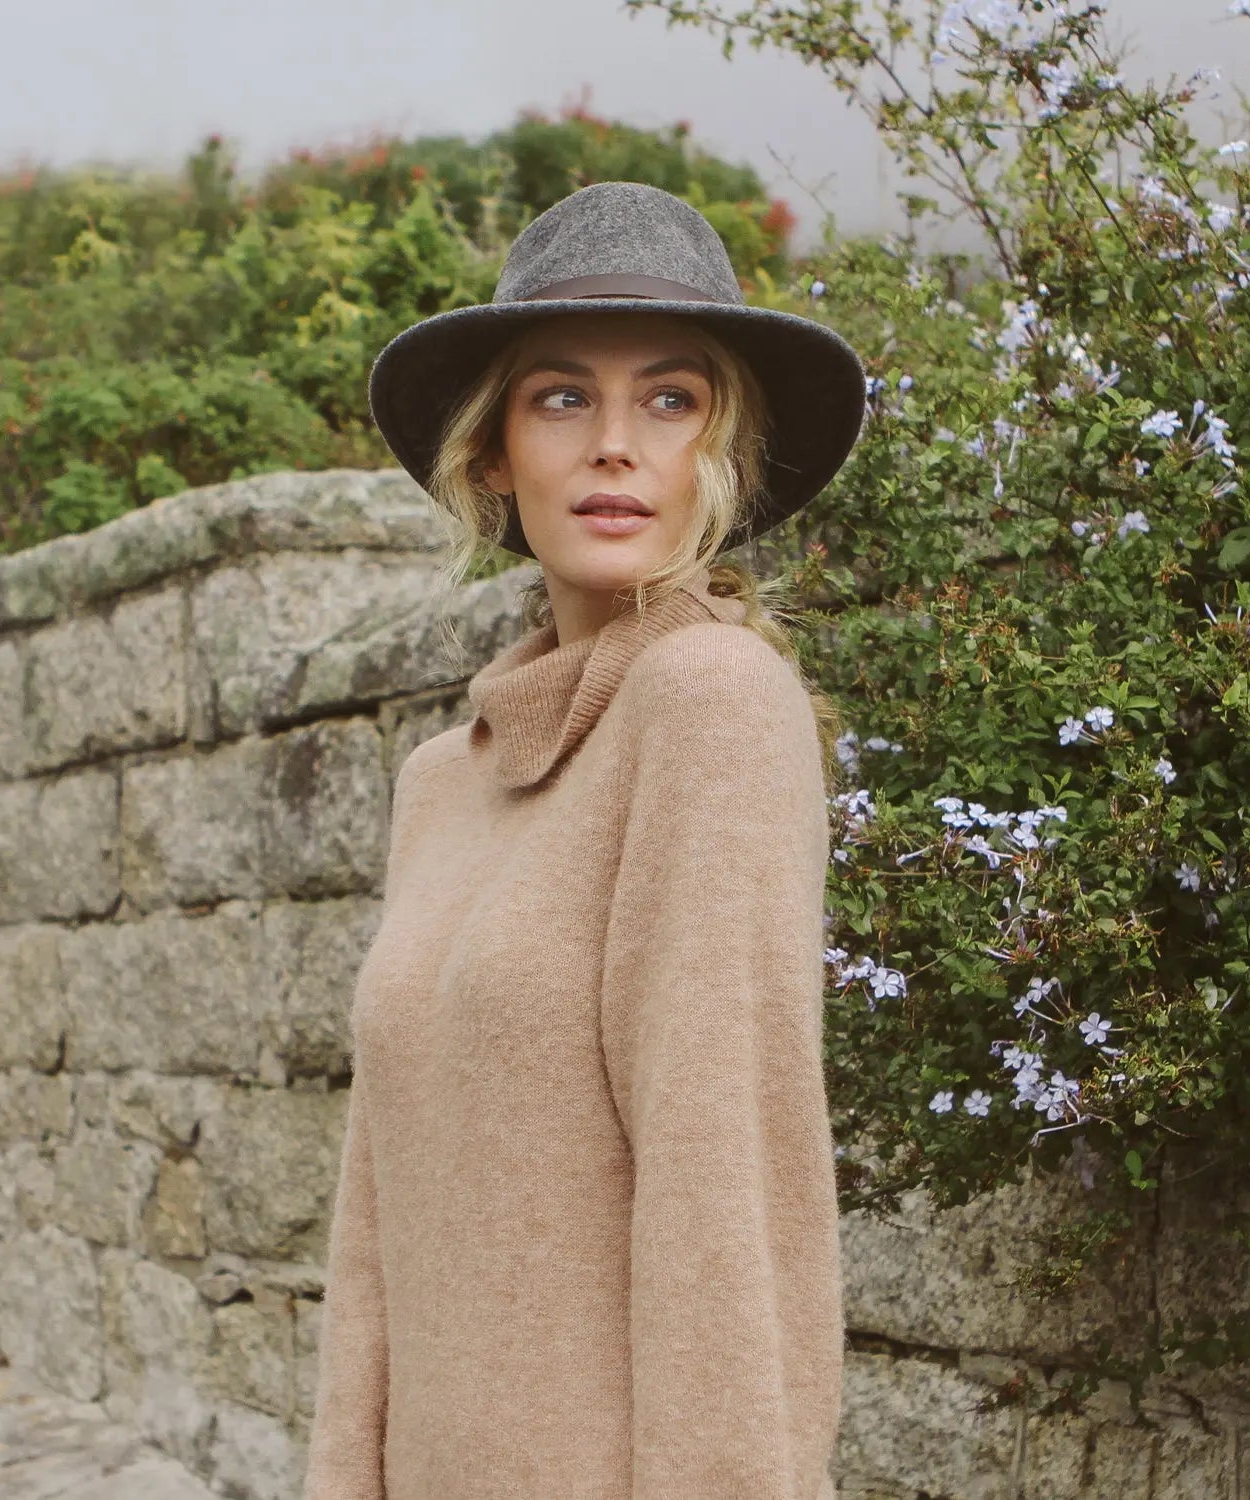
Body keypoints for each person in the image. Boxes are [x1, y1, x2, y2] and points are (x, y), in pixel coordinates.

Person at [302, 180, 868, 1500]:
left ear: (725, 454)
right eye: (562, 397)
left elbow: (729, 1199)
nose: (616, 445)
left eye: (671, 400)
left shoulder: (710, 705)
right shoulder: (442, 781)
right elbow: (379, 1218)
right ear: (494, 454)